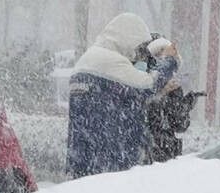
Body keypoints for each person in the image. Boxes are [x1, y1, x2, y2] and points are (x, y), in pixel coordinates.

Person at [67, 13, 178, 179]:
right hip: (110, 164)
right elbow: (148, 85)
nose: (137, 55)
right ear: (128, 38)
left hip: (83, 160)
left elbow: (118, 98)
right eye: (139, 48)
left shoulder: (88, 60)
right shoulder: (110, 61)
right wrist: (170, 61)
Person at [133, 37, 205, 164]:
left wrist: (186, 102)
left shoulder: (173, 87)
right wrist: (161, 94)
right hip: (154, 154)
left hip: (164, 154)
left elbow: (180, 124)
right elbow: (147, 116)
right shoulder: (143, 82)